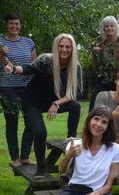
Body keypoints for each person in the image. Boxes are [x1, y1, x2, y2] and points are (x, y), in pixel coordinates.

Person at [5, 33, 82, 178]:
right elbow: (29, 68)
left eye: (67, 47)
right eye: (61, 46)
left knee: (75, 106)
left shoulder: (75, 67)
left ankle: (71, 138)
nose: (64, 50)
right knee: (40, 133)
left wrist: (56, 104)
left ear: (72, 49)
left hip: (52, 101)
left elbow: (72, 95)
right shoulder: (46, 60)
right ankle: (41, 168)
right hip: (32, 101)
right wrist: (15, 68)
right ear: (56, 47)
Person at [0, 12, 37, 167]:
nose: (14, 26)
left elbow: (34, 65)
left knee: (32, 121)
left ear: (20, 25)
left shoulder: (29, 42)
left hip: (27, 88)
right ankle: (15, 158)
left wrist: (28, 75)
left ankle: (25, 156)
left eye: (17, 23)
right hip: (7, 87)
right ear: (7, 24)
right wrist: (2, 53)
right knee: (12, 123)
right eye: (11, 23)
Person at [89, 16, 119, 111]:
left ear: (116, 27)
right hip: (104, 79)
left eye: (112, 26)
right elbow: (95, 66)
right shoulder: (101, 44)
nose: (109, 28)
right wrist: (95, 54)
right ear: (103, 29)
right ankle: (91, 121)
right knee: (95, 100)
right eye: (107, 26)